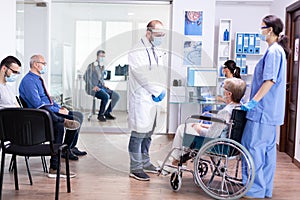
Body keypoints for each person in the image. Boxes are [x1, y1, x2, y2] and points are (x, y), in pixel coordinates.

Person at [0, 55, 78, 178]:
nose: (16, 75)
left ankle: (55, 166)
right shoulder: (25, 82)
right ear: (4, 68)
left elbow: (18, 108)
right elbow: (36, 104)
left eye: (18, 72)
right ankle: (55, 165)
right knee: (56, 122)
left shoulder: (8, 89)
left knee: (59, 124)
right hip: (12, 128)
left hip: (21, 121)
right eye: (14, 72)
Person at [241, 15, 290, 199]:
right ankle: (264, 189)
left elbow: (269, 80)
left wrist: (253, 101)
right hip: (270, 113)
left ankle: (254, 191)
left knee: (252, 149)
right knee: (267, 152)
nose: (260, 30)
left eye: (262, 27)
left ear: (270, 30)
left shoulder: (273, 52)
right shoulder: (276, 51)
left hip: (262, 112)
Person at [19, 55, 87, 164]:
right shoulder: (29, 81)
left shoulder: (37, 79)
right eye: (43, 63)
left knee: (78, 115)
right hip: (40, 114)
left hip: (50, 110)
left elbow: (47, 99)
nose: (45, 66)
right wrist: (57, 111)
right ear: (36, 64)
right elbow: (38, 104)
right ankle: (59, 157)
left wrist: (59, 107)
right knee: (64, 123)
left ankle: (68, 148)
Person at [170, 78, 246, 166]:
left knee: (182, 128)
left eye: (223, 88)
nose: (221, 90)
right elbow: (225, 129)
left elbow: (211, 135)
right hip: (231, 144)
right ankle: (182, 158)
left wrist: (198, 128)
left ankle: (176, 160)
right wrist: (204, 126)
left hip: (217, 145)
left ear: (229, 94)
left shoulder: (225, 112)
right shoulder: (239, 108)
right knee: (193, 126)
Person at [127, 19, 167, 181]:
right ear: (148, 33)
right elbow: (142, 75)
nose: (160, 37)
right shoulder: (137, 50)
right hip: (141, 99)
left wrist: (162, 89)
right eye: (158, 34)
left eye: (162, 34)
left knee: (149, 133)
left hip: (153, 100)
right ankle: (135, 168)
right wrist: (157, 90)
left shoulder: (156, 49)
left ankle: (145, 162)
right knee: (138, 134)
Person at [83, 50, 120, 122]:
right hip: (92, 88)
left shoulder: (102, 66)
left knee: (116, 96)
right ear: (97, 56)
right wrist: (93, 86)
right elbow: (85, 77)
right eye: (101, 56)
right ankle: (100, 115)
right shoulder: (92, 66)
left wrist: (104, 85)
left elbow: (101, 78)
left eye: (103, 57)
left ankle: (107, 113)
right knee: (106, 96)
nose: (102, 58)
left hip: (101, 87)